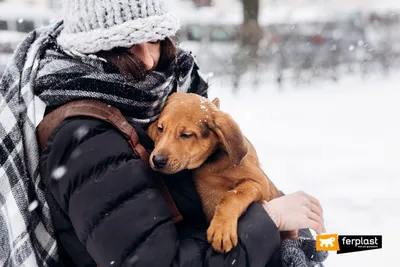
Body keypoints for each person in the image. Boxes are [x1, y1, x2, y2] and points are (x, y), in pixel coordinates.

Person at [0, 0, 328, 266]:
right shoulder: (87, 141)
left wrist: (290, 227)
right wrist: (266, 222)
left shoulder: (151, 105)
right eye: (127, 47)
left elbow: (216, 183)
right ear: (92, 51)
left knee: (365, 244)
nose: (149, 61)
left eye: (155, 40)